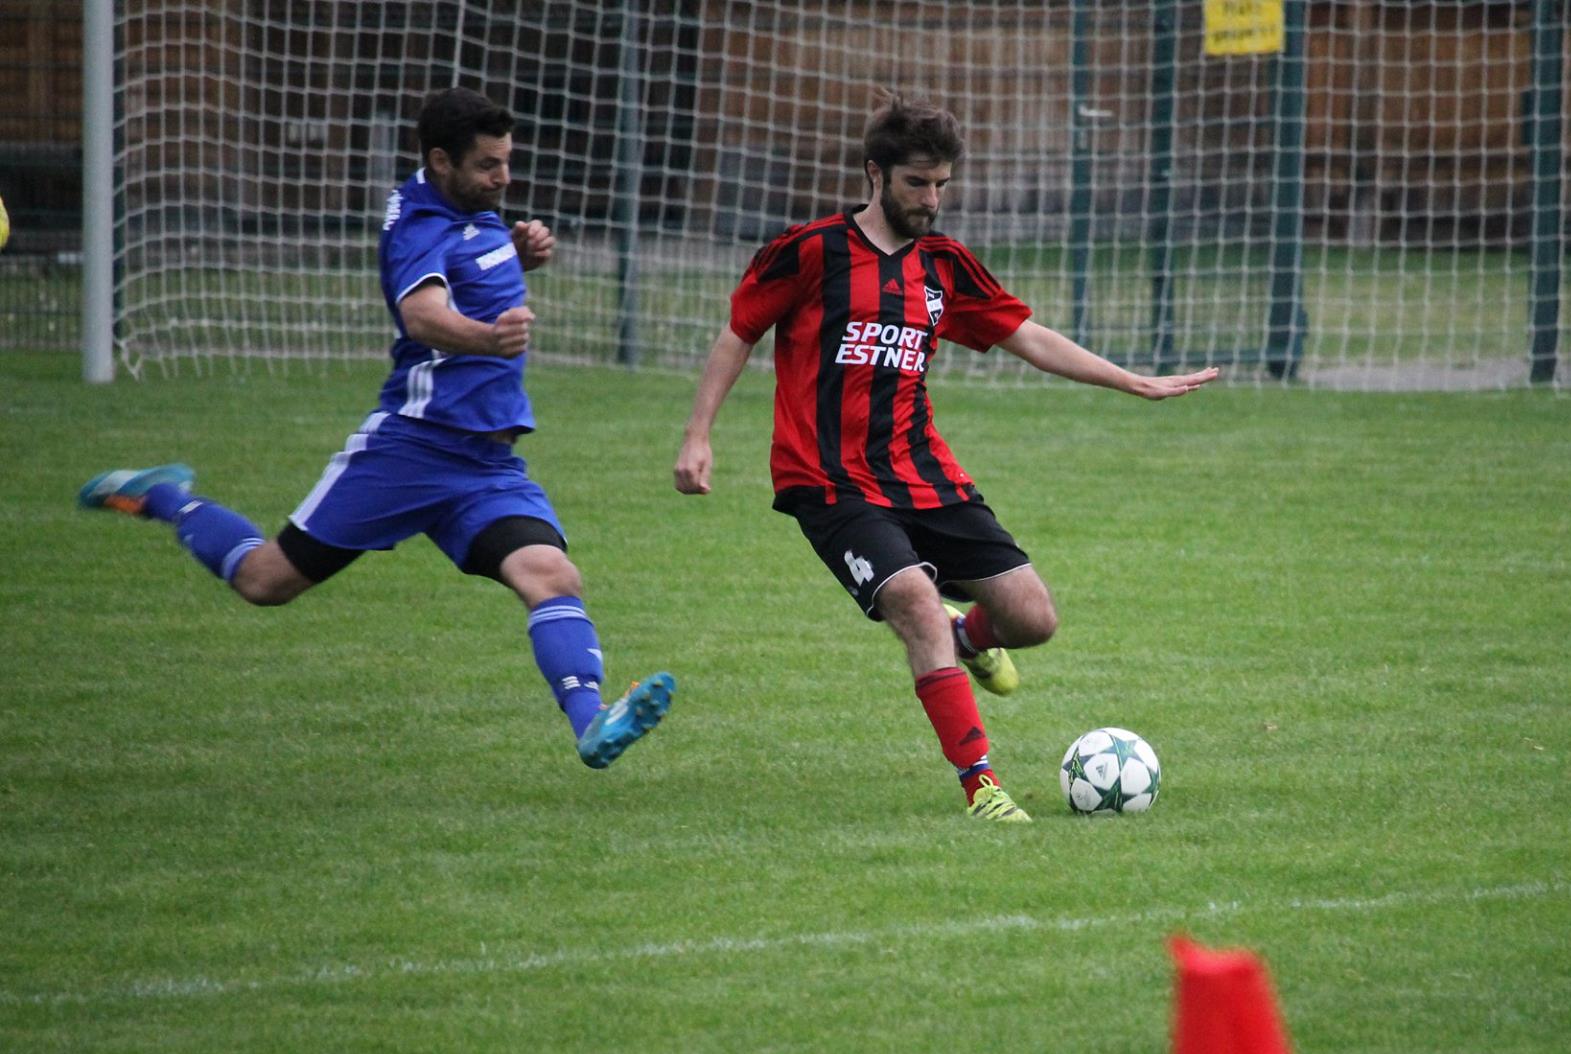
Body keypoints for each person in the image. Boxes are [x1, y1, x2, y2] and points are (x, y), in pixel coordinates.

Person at [78, 88, 673, 769]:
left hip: (487, 465)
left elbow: (469, 262)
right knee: (265, 581)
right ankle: (167, 497)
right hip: (412, 449)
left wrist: (513, 253)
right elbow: (423, 316)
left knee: (552, 574)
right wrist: (489, 335)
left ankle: (592, 723)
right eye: (487, 166)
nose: (503, 178)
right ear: (440, 161)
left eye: (507, 162)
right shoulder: (418, 225)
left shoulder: (471, 211)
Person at [673, 94, 1216, 822]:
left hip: (923, 473)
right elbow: (739, 332)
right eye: (916, 184)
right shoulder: (809, 251)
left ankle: (971, 638)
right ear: (876, 174)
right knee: (915, 603)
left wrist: (1128, 379)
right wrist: (698, 434)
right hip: (829, 482)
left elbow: (1028, 336)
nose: (930, 200)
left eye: (941, 185)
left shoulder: (943, 265)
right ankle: (981, 784)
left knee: (1033, 618)